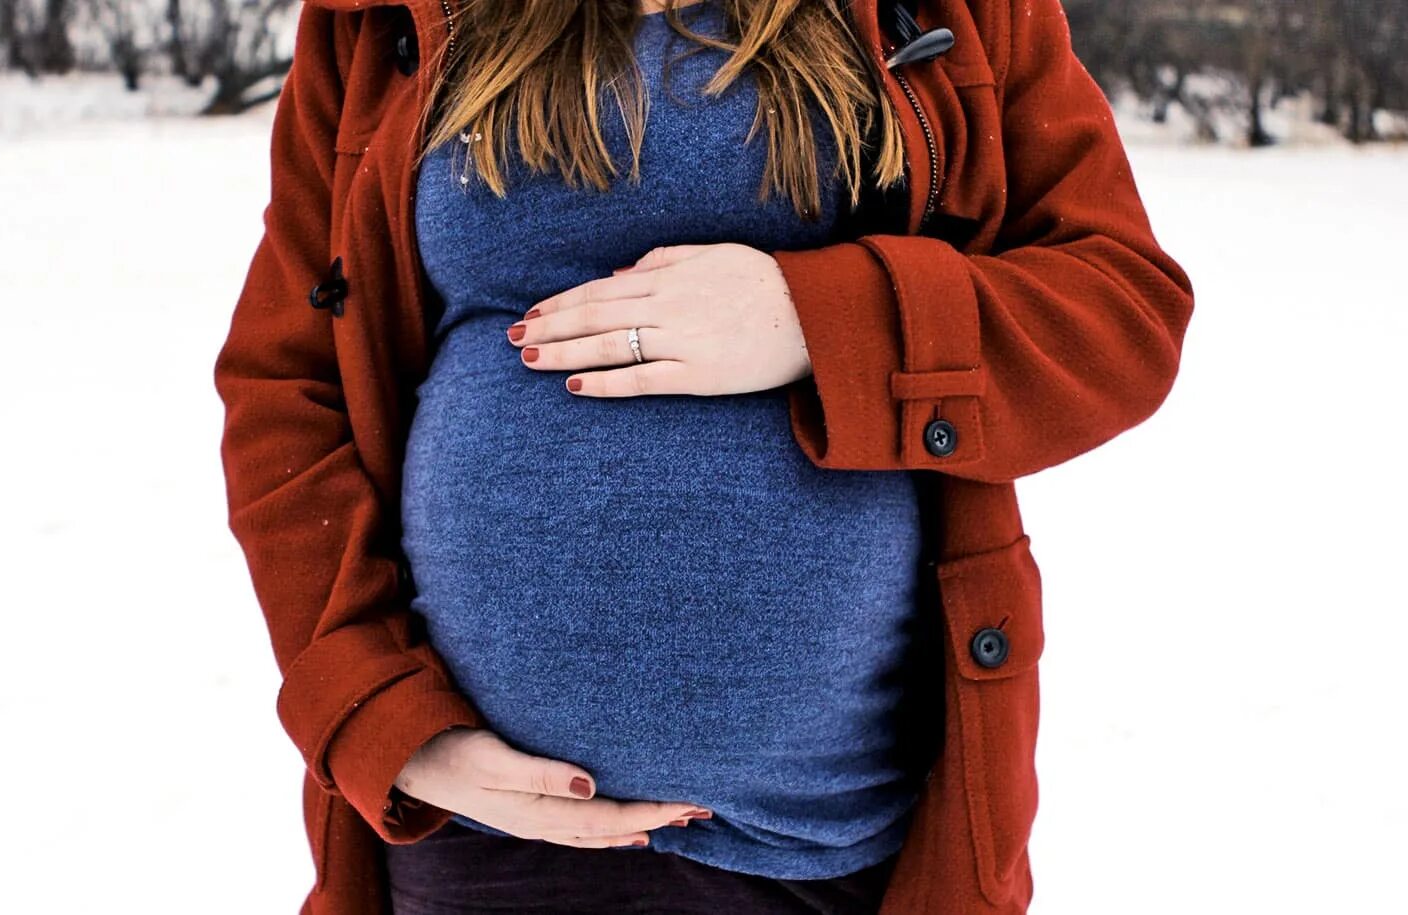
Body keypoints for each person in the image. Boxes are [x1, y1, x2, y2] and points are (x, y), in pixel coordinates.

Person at [211, 0, 1195, 912]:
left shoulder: (951, 13)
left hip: (831, 846)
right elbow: (286, 389)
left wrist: (820, 320)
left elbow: (1118, 312)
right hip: (485, 844)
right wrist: (383, 722)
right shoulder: (387, 18)